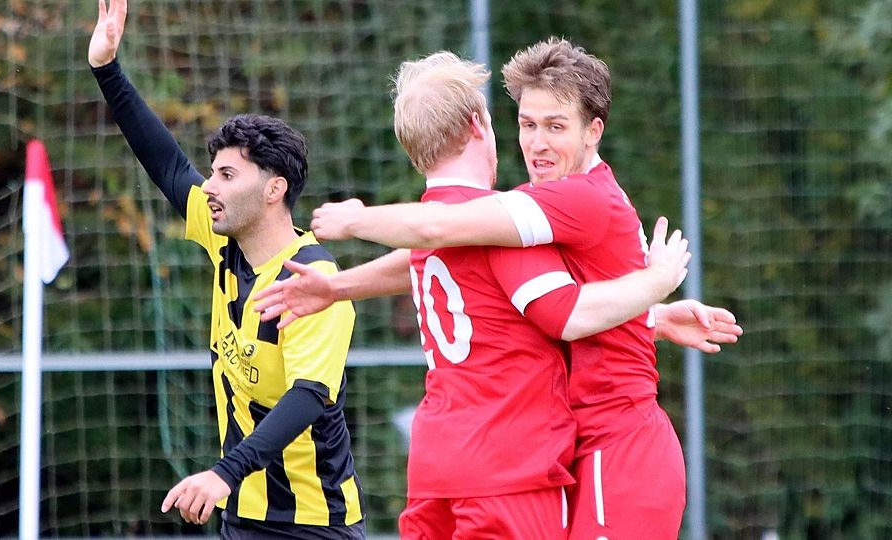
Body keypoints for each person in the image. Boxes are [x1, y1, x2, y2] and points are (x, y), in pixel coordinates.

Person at [279, 38, 743, 539]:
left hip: (618, 445)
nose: (537, 143)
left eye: (555, 126)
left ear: (595, 131)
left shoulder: (572, 201)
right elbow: (440, 249)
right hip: (557, 453)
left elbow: (444, 234)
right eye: (527, 124)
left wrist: (656, 286)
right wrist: (649, 311)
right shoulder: (527, 214)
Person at [87, 1, 365, 537]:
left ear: (273, 189)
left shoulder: (315, 282)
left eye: (226, 175)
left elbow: (308, 397)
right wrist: (107, 67)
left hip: (315, 524)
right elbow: (165, 162)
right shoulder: (225, 248)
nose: (208, 186)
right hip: (242, 516)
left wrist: (223, 473)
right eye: (211, 172)